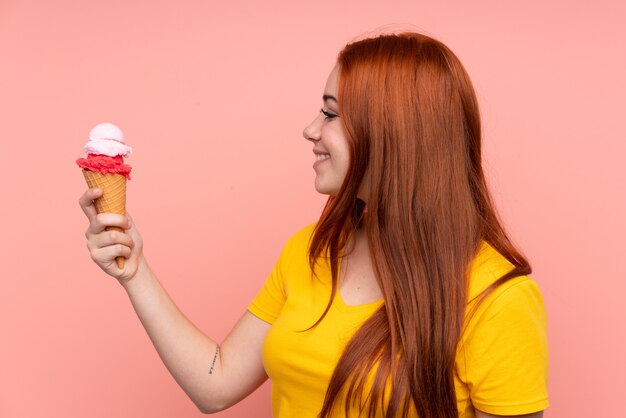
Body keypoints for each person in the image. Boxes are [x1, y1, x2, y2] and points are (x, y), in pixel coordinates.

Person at [79, 32, 548, 418]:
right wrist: (133, 270)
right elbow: (215, 383)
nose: (310, 129)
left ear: (391, 132)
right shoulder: (311, 250)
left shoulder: (498, 297)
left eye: (330, 112)